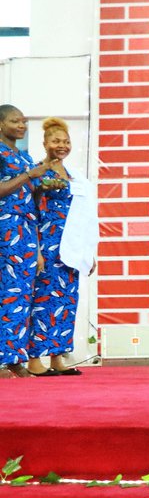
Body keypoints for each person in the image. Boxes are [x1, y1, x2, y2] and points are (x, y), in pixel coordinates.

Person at [26, 118, 98, 376]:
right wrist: (35, 251)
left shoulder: (75, 176)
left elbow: (86, 215)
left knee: (67, 301)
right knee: (42, 301)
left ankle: (58, 356)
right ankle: (35, 360)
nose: (62, 145)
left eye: (66, 141)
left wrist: (89, 252)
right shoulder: (36, 172)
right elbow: (31, 212)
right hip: (46, 244)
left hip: (72, 247)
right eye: (56, 141)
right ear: (45, 143)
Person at [0, 105, 51, 378]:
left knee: (21, 296)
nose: (21, 125)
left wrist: (42, 182)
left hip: (26, 229)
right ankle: (6, 359)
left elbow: (29, 194)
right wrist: (29, 176)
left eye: (23, 121)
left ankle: (13, 358)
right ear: (0, 125)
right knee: (8, 294)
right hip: (6, 229)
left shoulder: (23, 155)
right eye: (14, 121)